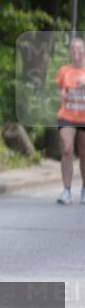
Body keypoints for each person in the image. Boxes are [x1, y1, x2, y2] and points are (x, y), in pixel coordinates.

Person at [56, 36, 85, 204]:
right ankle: (66, 190)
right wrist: (63, 95)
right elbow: (59, 90)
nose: (76, 52)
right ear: (69, 52)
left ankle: (84, 188)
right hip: (67, 115)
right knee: (67, 149)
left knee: (84, 154)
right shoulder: (64, 70)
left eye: (79, 48)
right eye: (73, 49)